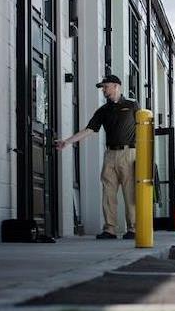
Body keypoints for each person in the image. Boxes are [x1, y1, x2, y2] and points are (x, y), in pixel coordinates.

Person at [55, 74, 139, 239]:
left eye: (106, 87)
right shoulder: (103, 110)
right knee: (108, 192)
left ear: (116, 86)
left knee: (130, 192)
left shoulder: (132, 105)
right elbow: (89, 129)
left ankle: (134, 229)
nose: (104, 90)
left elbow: (143, 128)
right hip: (110, 154)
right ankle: (110, 229)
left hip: (129, 153)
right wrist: (67, 142)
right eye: (103, 88)